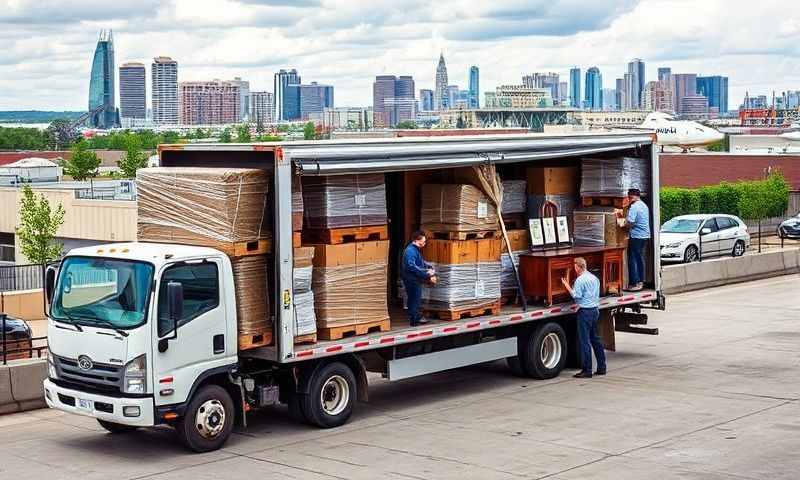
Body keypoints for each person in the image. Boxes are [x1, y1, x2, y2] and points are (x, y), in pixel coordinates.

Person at [561, 257, 606, 378]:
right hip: (595, 310)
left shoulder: (580, 280)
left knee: (584, 341)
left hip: (585, 313)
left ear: (578, 267)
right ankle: (602, 367)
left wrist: (567, 286)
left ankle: (587, 370)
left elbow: (577, 296)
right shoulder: (594, 278)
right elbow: (591, 295)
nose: (574, 268)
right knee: (595, 340)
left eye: (574, 266)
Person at [618, 188, 651, 292]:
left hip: (636, 236)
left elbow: (630, 222)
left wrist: (622, 223)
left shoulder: (634, 207)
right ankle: (641, 281)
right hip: (644, 235)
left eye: (628, 197)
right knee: (640, 258)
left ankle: (635, 283)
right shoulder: (643, 205)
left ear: (631, 196)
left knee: (633, 259)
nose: (628, 199)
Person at [402, 230, 435, 326]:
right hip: (411, 279)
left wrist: (429, 267)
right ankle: (414, 320)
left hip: (414, 278)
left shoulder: (415, 250)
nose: (424, 244)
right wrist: (426, 274)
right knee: (414, 299)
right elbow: (411, 266)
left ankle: (416, 317)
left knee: (415, 298)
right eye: (423, 242)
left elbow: (421, 263)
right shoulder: (410, 251)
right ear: (416, 240)